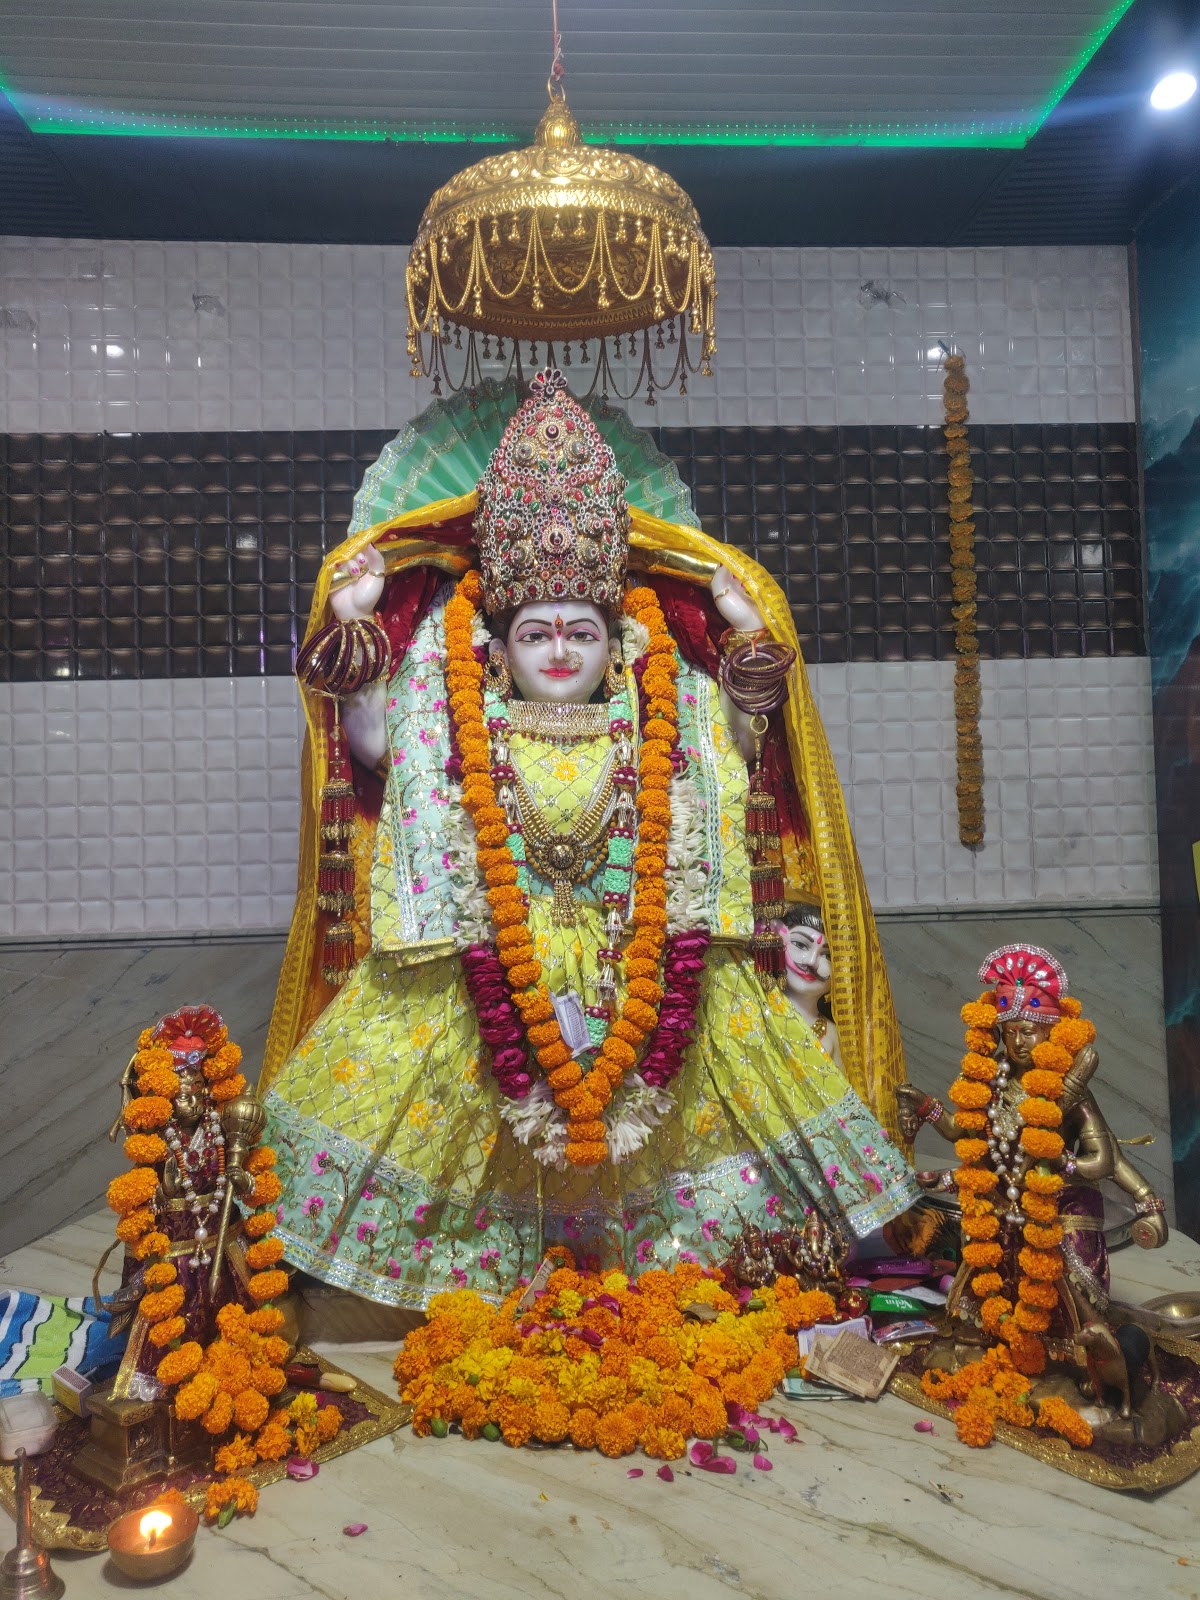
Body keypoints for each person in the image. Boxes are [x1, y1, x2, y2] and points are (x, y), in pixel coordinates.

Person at [259, 371, 919, 1309]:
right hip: (486, 959)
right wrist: (361, 616)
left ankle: (689, 1260)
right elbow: (367, 744)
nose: (560, 650)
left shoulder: (668, 709)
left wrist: (739, 631)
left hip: (645, 961)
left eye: (581, 631)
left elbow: (748, 742)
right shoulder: (453, 714)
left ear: (619, 643)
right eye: (535, 633)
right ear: (498, 646)